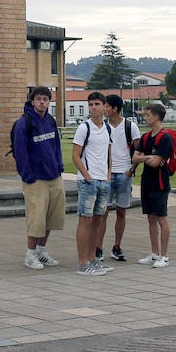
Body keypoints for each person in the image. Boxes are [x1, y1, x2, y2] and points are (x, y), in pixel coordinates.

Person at [11, 86, 64, 270]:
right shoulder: (23, 123)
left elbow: (56, 146)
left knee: (51, 217)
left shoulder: (50, 120)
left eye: (46, 99)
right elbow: (20, 152)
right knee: (36, 218)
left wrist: (59, 167)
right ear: (32, 101)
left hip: (53, 176)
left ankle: (41, 251)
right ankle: (30, 254)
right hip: (35, 179)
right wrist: (28, 176)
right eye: (39, 99)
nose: (42, 102)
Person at [72, 92, 114, 275]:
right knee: (85, 220)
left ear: (105, 106)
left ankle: (92, 258)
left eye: (97, 104)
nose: (93, 107)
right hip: (88, 181)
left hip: (103, 180)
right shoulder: (84, 128)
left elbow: (108, 153)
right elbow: (75, 156)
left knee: (98, 221)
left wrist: (108, 174)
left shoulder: (108, 128)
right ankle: (83, 262)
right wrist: (87, 176)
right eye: (91, 104)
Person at [132, 103, 176, 268]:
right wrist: (146, 157)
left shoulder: (165, 138)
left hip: (160, 183)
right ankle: (154, 253)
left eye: (148, 115)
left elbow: (156, 163)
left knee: (161, 218)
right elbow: (135, 158)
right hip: (146, 182)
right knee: (150, 218)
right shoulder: (145, 137)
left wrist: (144, 157)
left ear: (157, 117)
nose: (145, 117)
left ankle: (164, 255)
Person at [100, 94, 140, 263]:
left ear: (115, 108)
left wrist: (131, 170)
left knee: (121, 212)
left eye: (106, 106)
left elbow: (139, 151)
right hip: (107, 175)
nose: (104, 109)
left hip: (124, 173)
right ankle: (98, 248)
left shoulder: (130, 126)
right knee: (103, 212)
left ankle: (117, 246)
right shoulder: (102, 126)